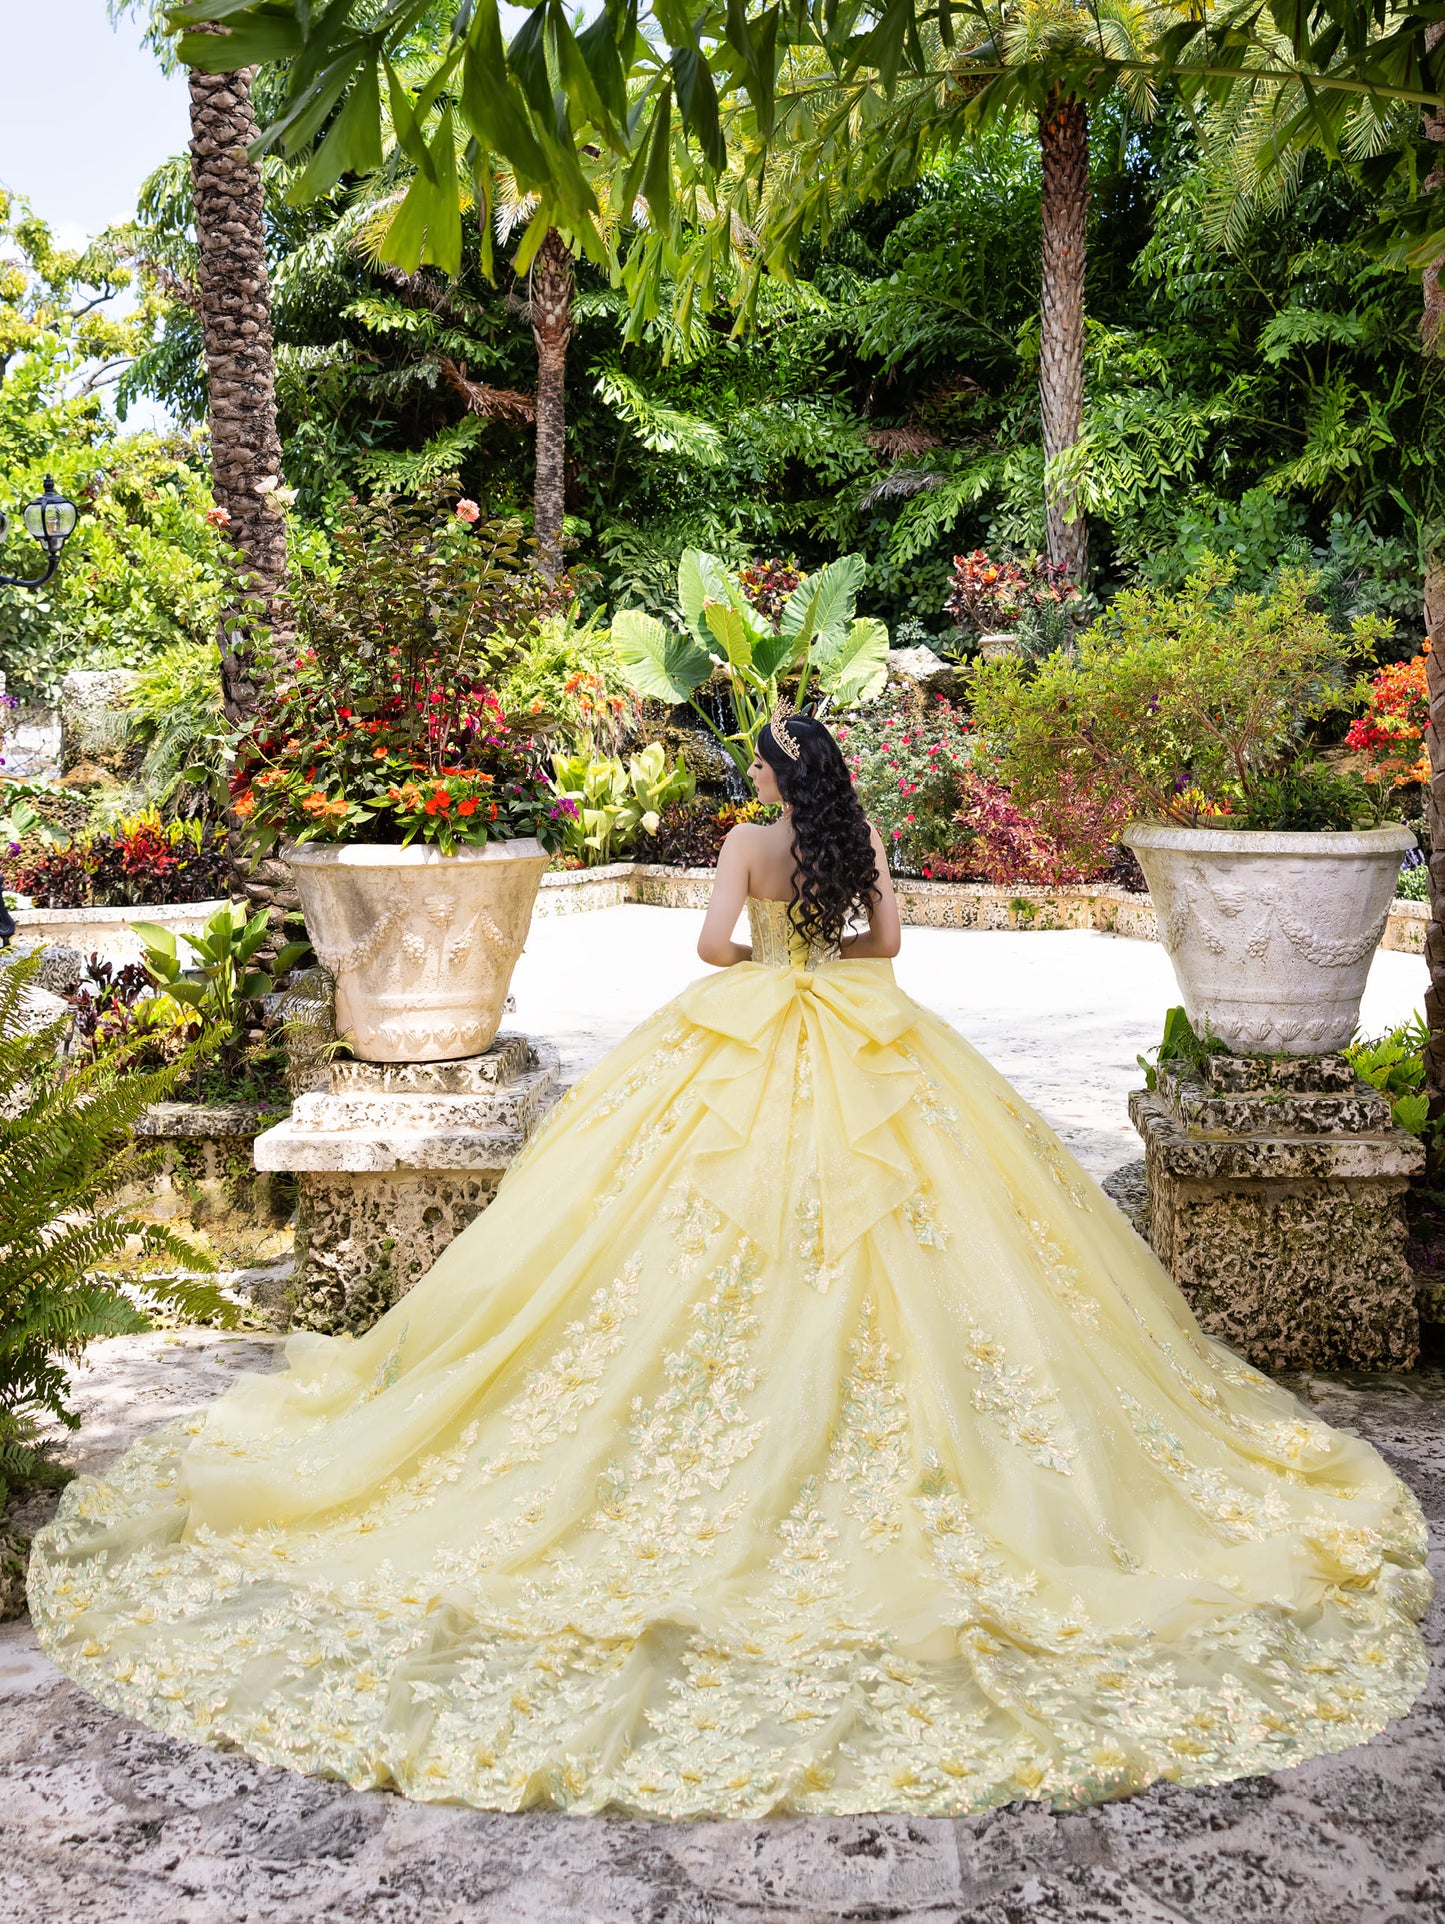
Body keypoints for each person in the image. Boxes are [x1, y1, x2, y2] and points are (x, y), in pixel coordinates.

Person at [28, 708, 1429, 1820]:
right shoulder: (854, 840)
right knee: (927, 1230)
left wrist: (764, 951)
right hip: (872, 1044)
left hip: (753, 1035)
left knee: (672, 1226)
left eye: (757, 763)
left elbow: (711, 947)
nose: (752, 776)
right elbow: (887, 945)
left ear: (770, 775)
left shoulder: (750, 843)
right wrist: (825, 948)